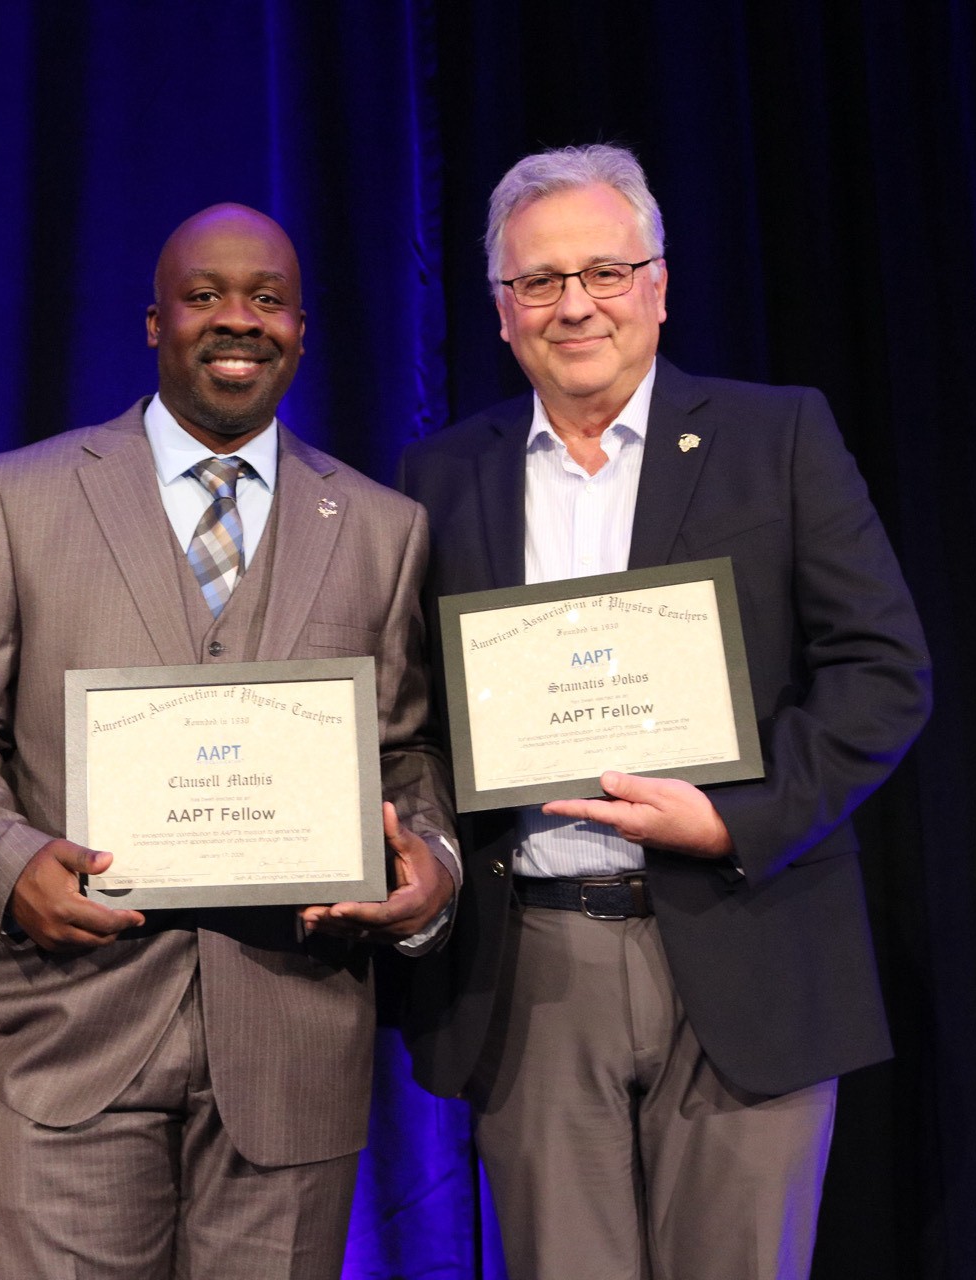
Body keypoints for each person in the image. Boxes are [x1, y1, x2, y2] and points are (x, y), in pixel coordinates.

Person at [398, 144, 932, 1279]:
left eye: (605, 270)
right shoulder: (440, 477)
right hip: (532, 964)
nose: (575, 304)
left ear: (659, 284)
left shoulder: (776, 437)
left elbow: (883, 670)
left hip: (748, 938)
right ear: (500, 309)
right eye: (539, 280)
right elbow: (420, 717)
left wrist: (734, 816)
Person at [0, 203, 458, 1279]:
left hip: (292, 1042)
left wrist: (428, 863)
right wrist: (10, 865)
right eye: (204, 296)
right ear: (155, 323)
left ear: (302, 330)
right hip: (69, 1029)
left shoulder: (381, 528)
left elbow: (405, 751)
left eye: (266, 299)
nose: (237, 319)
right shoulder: (17, 497)